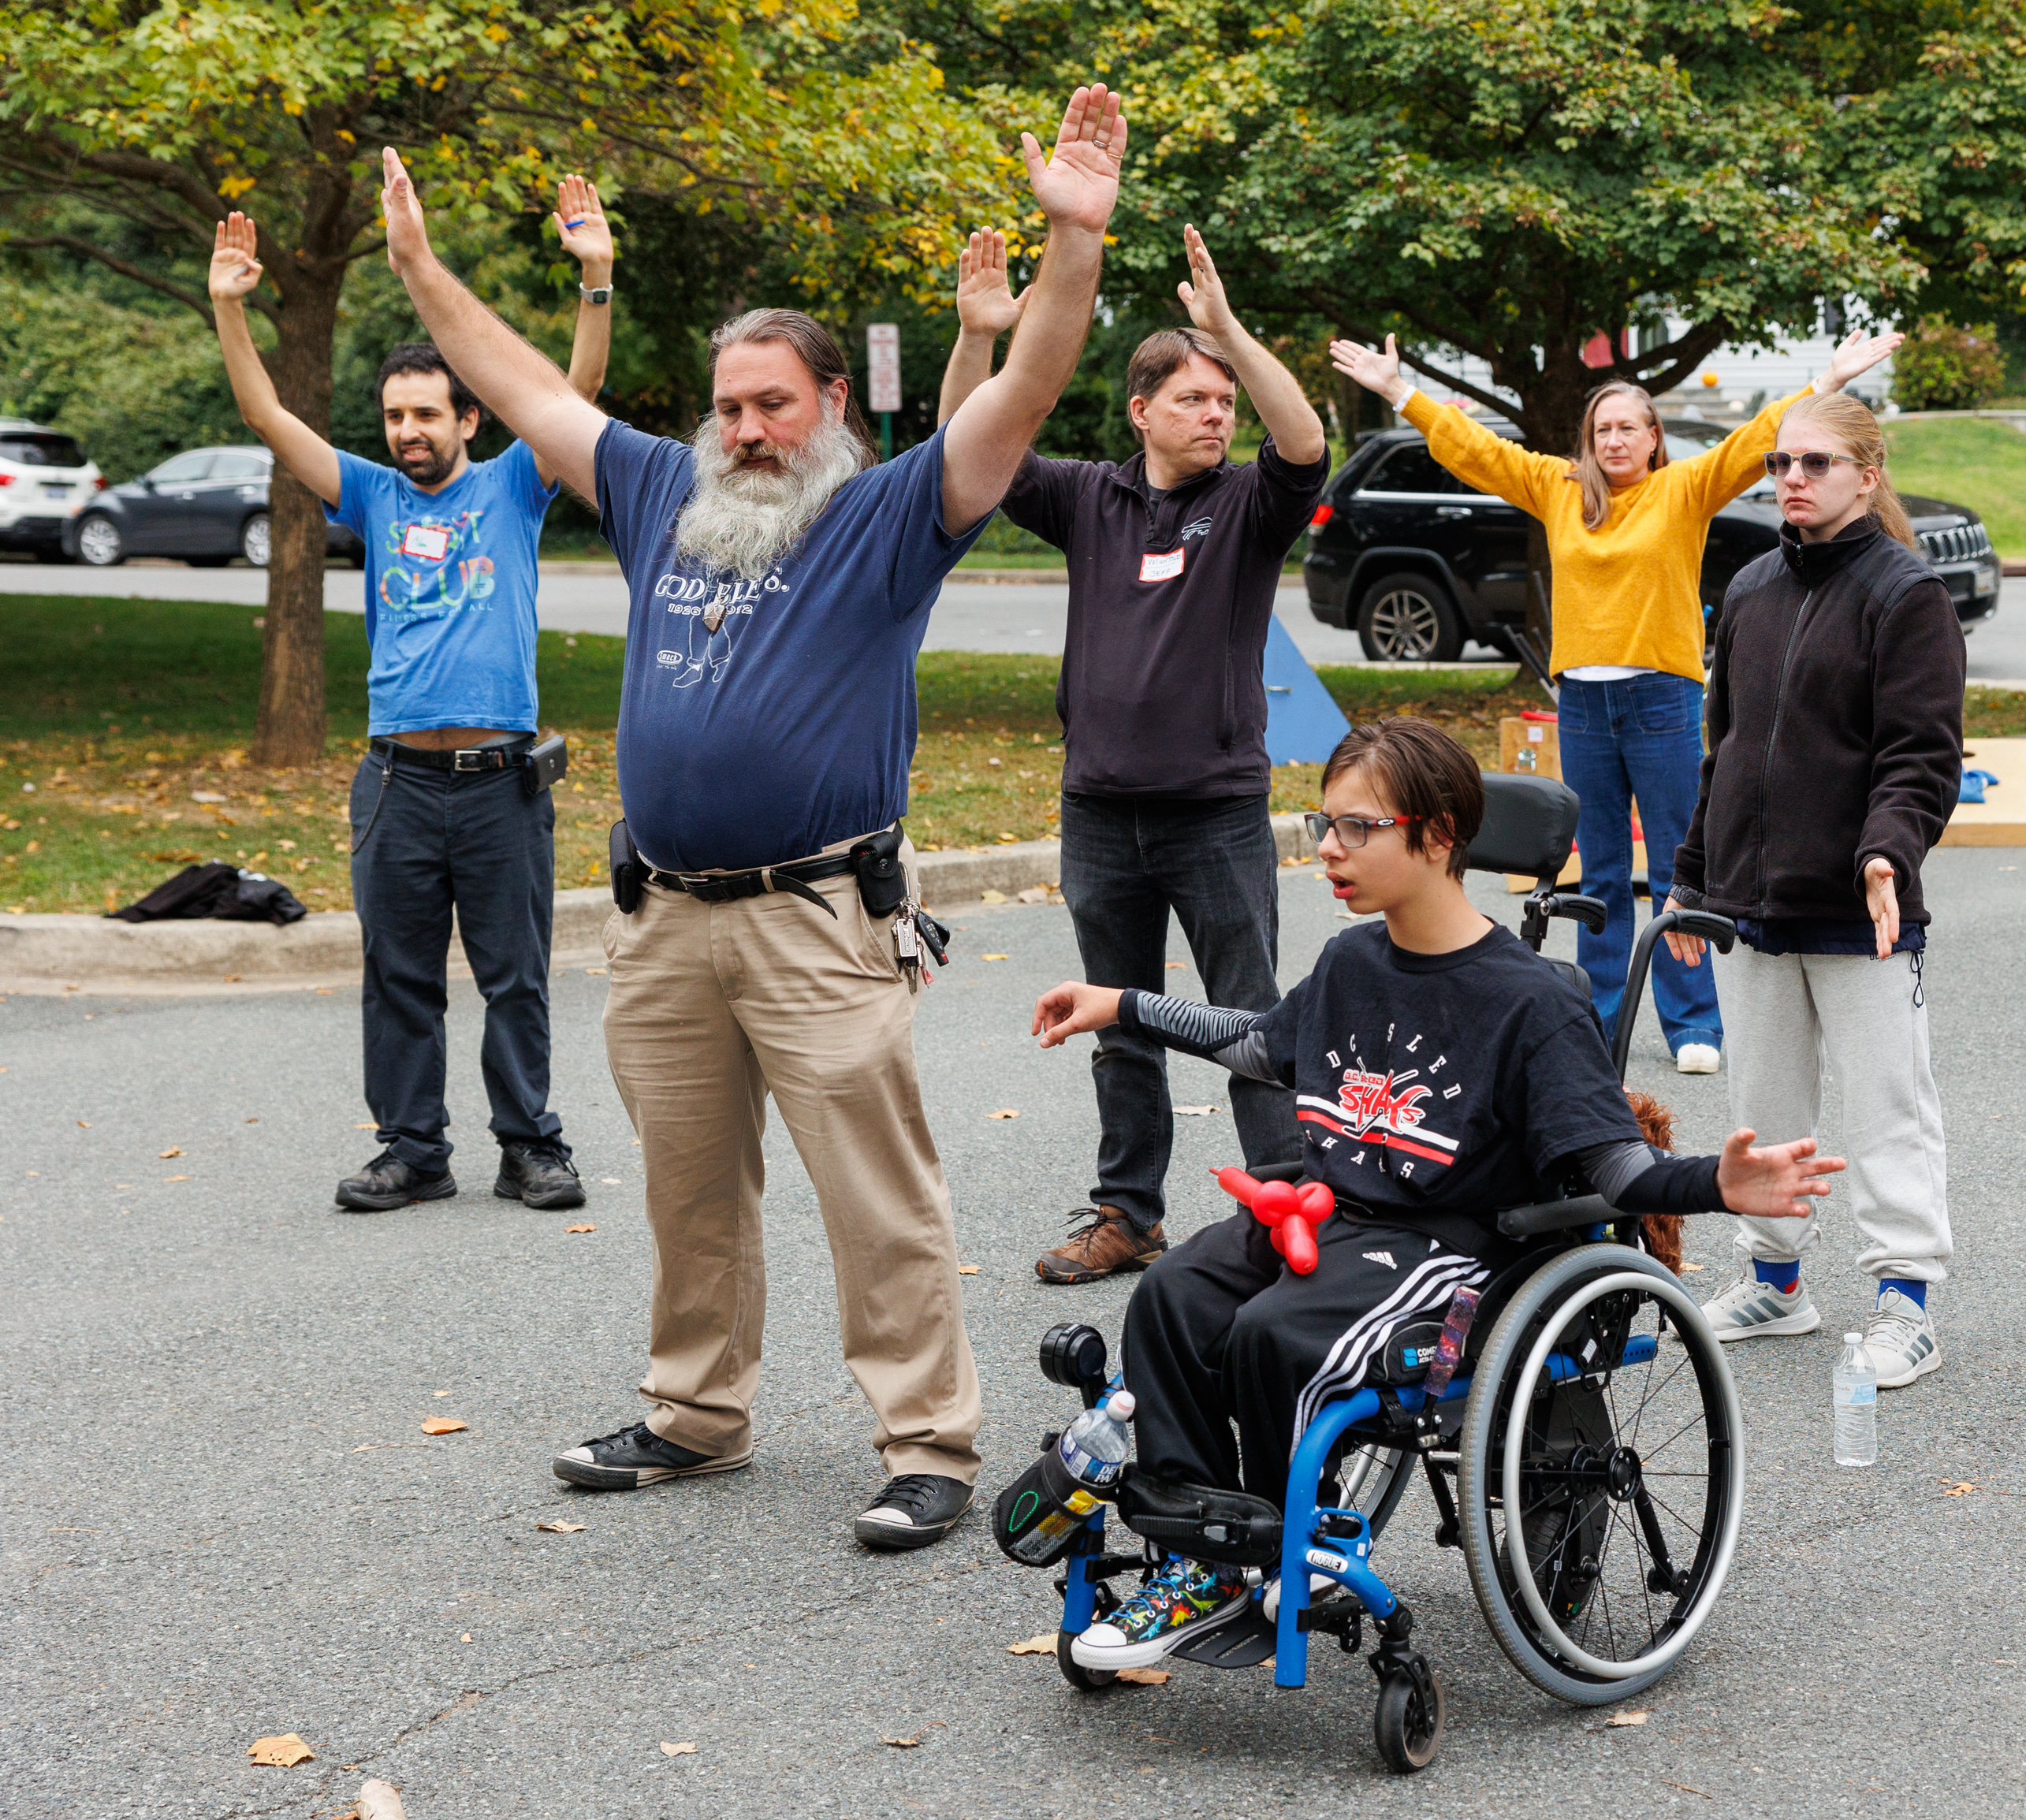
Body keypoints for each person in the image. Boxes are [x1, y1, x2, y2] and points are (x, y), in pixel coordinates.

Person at [370, 84, 1128, 1550]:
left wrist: (1072, 243)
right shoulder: (660, 489)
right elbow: (520, 387)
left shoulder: (892, 513)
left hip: (818, 918)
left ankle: (928, 1442)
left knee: (877, 1199)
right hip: (663, 920)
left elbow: (1027, 388)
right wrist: (419, 269)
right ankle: (696, 1413)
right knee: (688, 1190)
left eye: (773, 403)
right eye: (729, 405)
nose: (746, 429)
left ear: (832, 404)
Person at [1026, 716, 1844, 1668]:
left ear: (1439, 835)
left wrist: (1718, 1184)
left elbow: (1615, 1169)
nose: (1329, 849)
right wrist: (1122, 1005)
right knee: (1172, 1297)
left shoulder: (1533, 1001)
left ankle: (1283, 1545)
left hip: (1455, 1251)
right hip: (1331, 1218)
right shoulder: (1351, 963)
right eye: (1323, 824)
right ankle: (1203, 1561)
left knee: (1272, 1333)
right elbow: (1258, 1043)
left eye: (1357, 827)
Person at [1325, 328, 1900, 1075]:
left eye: (1630, 427)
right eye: (1603, 429)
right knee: (1597, 872)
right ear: (1588, 443)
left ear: (1654, 438)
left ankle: (1693, 1022)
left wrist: (1826, 382)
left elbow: (1754, 441)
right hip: (1583, 703)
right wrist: (1400, 391)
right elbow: (1477, 450)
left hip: (1662, 697)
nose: (1616, 439)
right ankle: (1596, 1022)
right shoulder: (1559, 489)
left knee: (1674, 868)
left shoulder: (1684, 488)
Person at [207, 187, 616, 1217]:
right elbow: (266, 416)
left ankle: (530, 1146)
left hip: (500, 784)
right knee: (398, 975)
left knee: (514, 974)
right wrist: (229, 308)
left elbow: (577, 392)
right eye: (395, 416)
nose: (408, 432)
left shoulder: (515, 484)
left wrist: (595, 277)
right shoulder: (371, 492)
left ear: (468, 418)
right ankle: (412, 1150)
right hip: (395, 784)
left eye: (427, 414)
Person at [941, 225, 1324, 1284]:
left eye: (1225, 401)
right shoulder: (1088, 498)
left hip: (1216, 813)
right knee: (1118, 1025)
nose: (1217, 415)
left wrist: (1229, 335)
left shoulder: (1247, 504)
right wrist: (979, 339)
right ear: (1141, 409)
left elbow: (1303, 445)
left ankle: (1289, 1214)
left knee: (1250, 1021)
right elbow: (971, 444)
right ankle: (1128, 1215)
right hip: (1101, 812)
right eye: (1195, 398)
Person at [1664, 394, 1965, 1384]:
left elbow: (1921, 755)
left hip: (1860, 911)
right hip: (1751, 905)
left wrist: (1887, 855)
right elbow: (1726, 751)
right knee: (1762, 1107)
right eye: (1781, 462)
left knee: (1887, 1112)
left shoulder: (1906, 595)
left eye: (1817, 463)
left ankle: (1906, 1305)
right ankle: (1776, 1284)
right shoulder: (1751, 587)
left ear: (1867, 476)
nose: (1792, 478)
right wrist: (1690, 879)